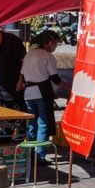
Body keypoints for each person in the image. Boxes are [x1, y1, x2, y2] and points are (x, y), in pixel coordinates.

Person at [20, 30, 68, 163]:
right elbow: (55, 79)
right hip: (41, 93)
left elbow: (23, 76)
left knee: (32, 125)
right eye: (54, 43)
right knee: (43, 124)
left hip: (28, 94)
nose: (54, 46)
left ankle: (30, 155)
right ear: (47, 42)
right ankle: (39, 157)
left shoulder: (29, 54)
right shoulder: (47, 56)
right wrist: (70, 88)